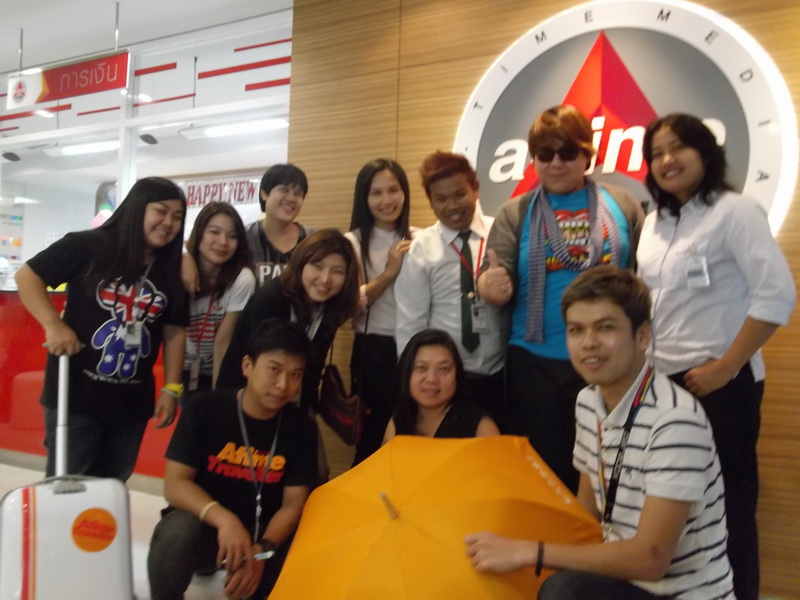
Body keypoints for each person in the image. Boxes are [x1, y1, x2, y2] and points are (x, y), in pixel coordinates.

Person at [465, 266, 734, 600]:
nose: (589, 343)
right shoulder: (589, 402)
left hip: (681, 592)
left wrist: (530, 551)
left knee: (563, 590)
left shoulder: (675, 420)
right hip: (619, 582)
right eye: (576, 330)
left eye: (605, 327)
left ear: (642, 335)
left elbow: (651, 559)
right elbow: (586, 513)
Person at [637, 113, 796, 600]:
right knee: (676, 508)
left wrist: (726, 368)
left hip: (721, 385)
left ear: (705, 152)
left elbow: (777, 295)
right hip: (663, 387)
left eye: (678, 147)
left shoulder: (736, 211)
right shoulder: (653, 223)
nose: (667, 159)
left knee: (730, 508)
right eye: (657, 153)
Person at [477, 105, 644, 493]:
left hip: (611, 361)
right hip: (536, 365)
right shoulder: (514, 212)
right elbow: (491, 274)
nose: (555, 163)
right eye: (544, 153)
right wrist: (489, 285)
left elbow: (643, 278)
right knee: (543, 478)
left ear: (587, 155)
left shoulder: (624, 205)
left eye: (567, 152)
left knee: (609, 473)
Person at [15, 177, 189, 481]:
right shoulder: (86, 245)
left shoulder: (173, 268)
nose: (169, 223)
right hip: (75, 395)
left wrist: (171, 388)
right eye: (161, 211)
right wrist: (53, 325)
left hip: (131, 402)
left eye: (177, 217)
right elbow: (28, 276)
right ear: (137, 209)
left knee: (112, 486)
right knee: (68, 485)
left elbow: (174, 332)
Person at [147, 320, 318, 600]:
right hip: (208, 529)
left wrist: (262, 550)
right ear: (247, 366)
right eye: (274, 370)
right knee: (177, 531)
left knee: (305, 540)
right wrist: (224, 520)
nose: (283, 385)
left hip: (262, 536)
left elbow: (293, 504)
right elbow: (175, 485)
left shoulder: (302, 427)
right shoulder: (205, 408)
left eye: (295, 375)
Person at [394, 151, 505, 429]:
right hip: (446, 381)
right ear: (430, 200)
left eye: (459, 194)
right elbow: (410, 324)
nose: (452, 206)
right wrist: (413, 384)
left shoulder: (500, 233)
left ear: (475, 189)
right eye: (441, 199)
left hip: (501, 374)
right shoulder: (422, 248)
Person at [216, 229, 361, 412]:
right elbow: (264, 367)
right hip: (243, 400)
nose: (325, 279)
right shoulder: (271, 299)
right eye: (317, 266)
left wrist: (305, 413)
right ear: (301, 264)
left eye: (337, 272)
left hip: (287, 404)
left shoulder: (329, 307)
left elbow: (314, 366)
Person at [344, 158, 416, 464]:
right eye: (376, 193)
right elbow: (349, 305)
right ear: (364, 198)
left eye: (393, 190)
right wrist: (389, 273)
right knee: (373, 440)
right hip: (374, 350)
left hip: (414, 347)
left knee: (412, 435)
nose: (387, 200)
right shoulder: (352, 242)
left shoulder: (420, 238)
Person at [182, 202, 256, 396]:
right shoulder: (179, 270)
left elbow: (223, 341)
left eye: (232, 236)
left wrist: (217, 396)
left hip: (222, 368)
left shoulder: (242, 279)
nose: (223, 242)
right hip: (184, 366)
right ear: (199, 233)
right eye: (214, 232)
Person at [383, 329, 499, 442]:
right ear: (406, 373)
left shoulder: (482, 428)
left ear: (457, 375)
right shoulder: (398, 422)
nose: (432, 379)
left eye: (443, 369)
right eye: (421, 368)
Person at [245, 163, 314, 286]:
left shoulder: (311, 240)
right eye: (284, 190)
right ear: (264, 193)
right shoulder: (244, 237)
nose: (291, 198)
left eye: (298, 193)